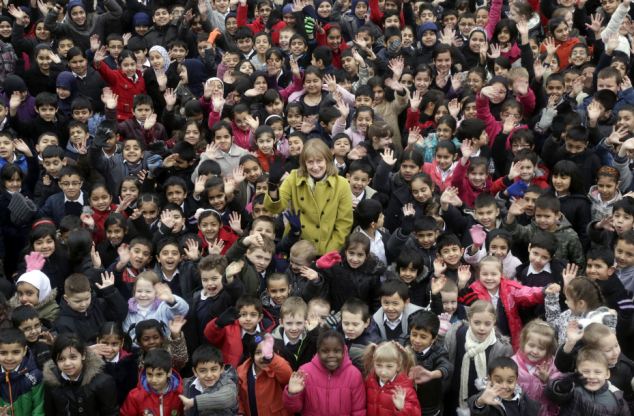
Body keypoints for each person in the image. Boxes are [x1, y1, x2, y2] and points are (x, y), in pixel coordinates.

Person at [264, 139, 353, 254]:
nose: (315, 167)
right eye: (310, 162)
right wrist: (272, 186)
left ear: (327, 160)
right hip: (297, 247)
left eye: (319, 161)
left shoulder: (342, 183)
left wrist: (327, 254)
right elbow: (275, 208)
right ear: (304, 163)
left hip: (325, 250)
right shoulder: (293, 177)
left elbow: (344, 224)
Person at [283, 329, 366, 415]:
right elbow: (293, 409)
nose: (331, 355)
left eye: (337, 351)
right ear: (318, 352)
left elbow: (358, 410)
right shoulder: (305, 372)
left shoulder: (354, 375)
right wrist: (292, 394)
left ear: (344, 351)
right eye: (325, 351)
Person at [43, 334, 118, 415]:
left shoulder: (103, 382)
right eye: (61, 359)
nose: (67, 363)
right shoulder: (51, 383)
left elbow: (111, 413)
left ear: (83, 355)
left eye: (73, 357)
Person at [364, 341, 421, 415]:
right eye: (379, 365)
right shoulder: (369, 381)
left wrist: (402, 408)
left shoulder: (405, 389)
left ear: (398, 366)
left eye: (389, 366)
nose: (383, 372)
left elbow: (416, 413)